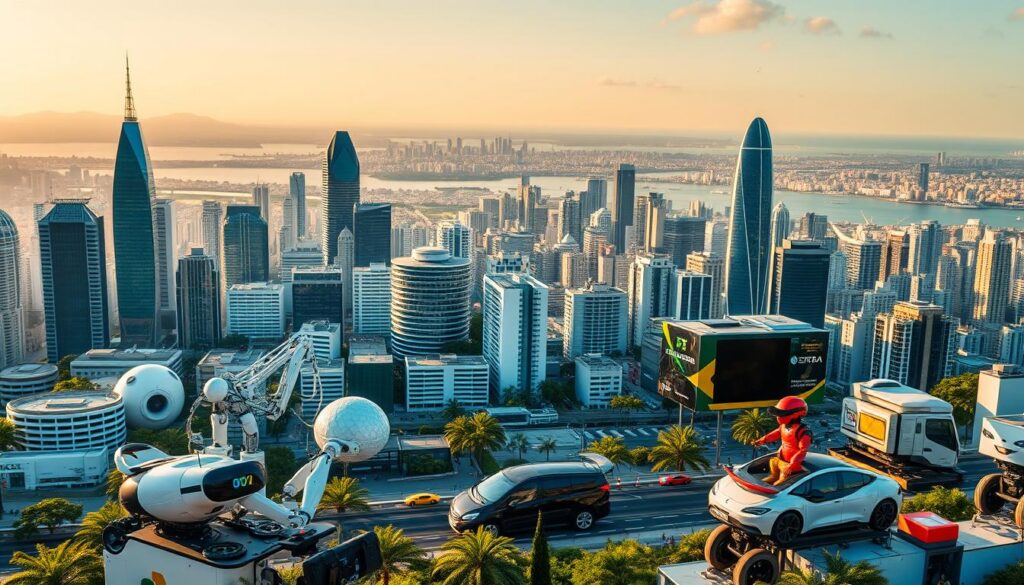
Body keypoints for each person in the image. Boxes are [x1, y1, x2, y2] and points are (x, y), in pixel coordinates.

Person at [753, 396, 812, 486]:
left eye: (782, 414)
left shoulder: (803, 432)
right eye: (778, 414)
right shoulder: (783, 426)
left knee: (780, 483)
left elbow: (802, 450)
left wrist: (793, 464)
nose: (778, 417)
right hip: (781, 459)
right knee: (773, 462)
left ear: (796, 414)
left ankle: (776, 485)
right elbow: (774, 434)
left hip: (789, 466)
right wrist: (762, 440)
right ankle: (773, 477)